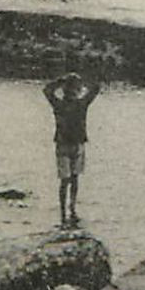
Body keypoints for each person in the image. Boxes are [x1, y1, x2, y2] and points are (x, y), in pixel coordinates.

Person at [42, 72, 102, 227]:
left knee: (67, 180)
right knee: (72, 179)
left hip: (67, 144)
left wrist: (59, 81)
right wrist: (83, 81)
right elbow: (95, 88)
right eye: (74, 89)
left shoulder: (60, 104)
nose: (74, 92)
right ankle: (70, 210)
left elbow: (47, 90)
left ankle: (65, 212)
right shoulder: (80, 104)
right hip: (73, 144)